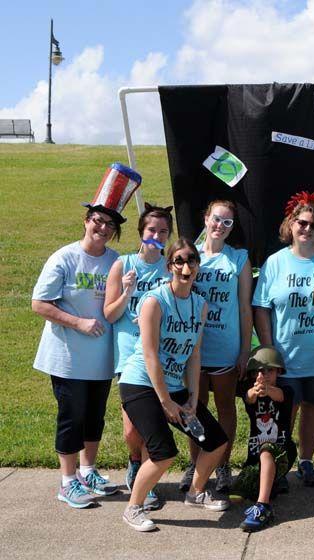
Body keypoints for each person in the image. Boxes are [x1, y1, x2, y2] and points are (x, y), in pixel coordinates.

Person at [31, 163, 140, 508]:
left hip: (101, 358)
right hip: (67, 357)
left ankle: (88, 470)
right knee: (72, 416)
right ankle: (67, 481)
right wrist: (77, 322)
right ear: (86, 220)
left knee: (94, 416)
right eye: (97, 220)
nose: (103, 227)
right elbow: (39, 303)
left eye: (110, 224)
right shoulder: (64, 258)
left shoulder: (116, 261)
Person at [119, 238, 229, 532]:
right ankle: (133, 508)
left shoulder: (199, 305)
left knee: (216, 440)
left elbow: (194, 353)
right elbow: (150, 354)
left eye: (191, 260)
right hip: (141, 384)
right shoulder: (155, 301)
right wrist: (166, 400)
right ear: (170, 267)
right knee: (163, 452)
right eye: (179, 261)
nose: (186, 266)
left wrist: (192, 396)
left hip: (173, 386)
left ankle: (195, 493)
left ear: (197, 266)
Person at [253, 192, 314, 488]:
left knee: (313, 407)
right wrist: (269, 349)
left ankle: (306, 461)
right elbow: (261, 307)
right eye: (301, 223)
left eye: (312, 225)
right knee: (284, 412)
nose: (306, 229)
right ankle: (279, 464)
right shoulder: (275, 262)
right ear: (291, 224)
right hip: (285, 355)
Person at [104, 203, 173, 509]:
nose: (156, 235)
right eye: (151, 230)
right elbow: (109, 313)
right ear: (141, 232)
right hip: (130, 354)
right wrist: (128, 293)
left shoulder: (171, 266)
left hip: (161, 355)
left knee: (152, 422)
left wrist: (151, 317)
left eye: (162, 231)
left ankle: (147, 481)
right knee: (132, 428)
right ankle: (135, 460)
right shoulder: (123, 264)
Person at [181, 200, 253, 494]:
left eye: (227, 223)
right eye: (216, 219)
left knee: (225, 407)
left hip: (225, 346)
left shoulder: (238, 259)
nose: (220, 226)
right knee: (194, 408)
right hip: (193, 347)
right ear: (205, 218)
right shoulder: (190, 257)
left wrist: (245, 349)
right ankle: (195, 463)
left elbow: (245, 308)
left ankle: (222, 465)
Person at [232, 346, 296, 532]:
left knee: (267, 449)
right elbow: (249, 397)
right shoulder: (251, 392)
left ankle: (263, 507)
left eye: (270, 370)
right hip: (255, 458)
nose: (265, 374)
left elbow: (280, 396)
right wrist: (256, 390)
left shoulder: (286, 391)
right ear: (253, 374)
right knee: (237, 492)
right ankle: (273, 483)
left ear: (279, 371)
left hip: (281, 451)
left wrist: (267, 389)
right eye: (260, 371)